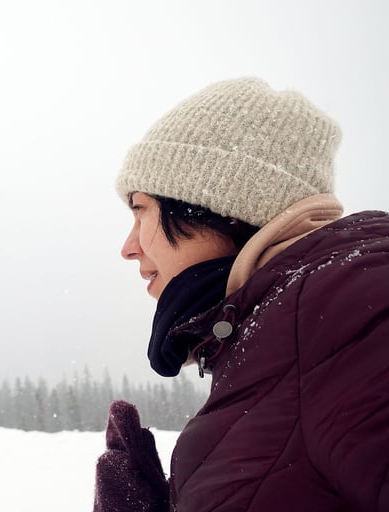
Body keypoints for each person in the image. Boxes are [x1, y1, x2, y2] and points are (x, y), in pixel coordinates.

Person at [93, 77, 389, 511]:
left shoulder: (354, 312)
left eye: (140, 210)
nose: (129, 246)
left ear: (210, 203)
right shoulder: (277, 328)